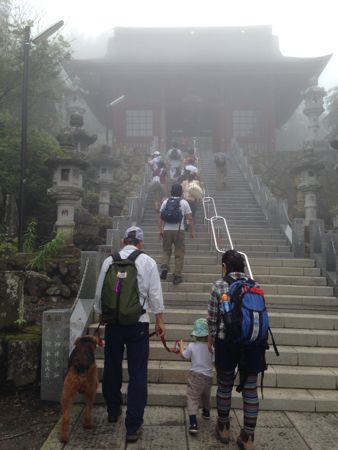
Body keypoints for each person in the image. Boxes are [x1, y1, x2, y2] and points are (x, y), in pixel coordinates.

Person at [94, 226, 165, 443]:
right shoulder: (148, 261)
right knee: (137, 373)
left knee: (112, 365)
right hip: (138, 324)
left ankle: (113, 410)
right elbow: (155, 294)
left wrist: (102, 316)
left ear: (124, 241)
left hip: (114, 324)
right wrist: (160, 320)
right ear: (140, 243)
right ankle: (133, 425)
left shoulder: (109, 261)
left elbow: (99, 295)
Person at [207, 249, 266, 450]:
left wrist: (211, 339)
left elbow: (213, 318)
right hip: (253, 344)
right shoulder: (255, 285)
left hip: (227, 343)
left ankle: (223, 427)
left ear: (225, 267)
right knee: (250, 390)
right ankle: (248, 438)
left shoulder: (219, 285)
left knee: (224, 385)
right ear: (242, 267)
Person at [178, 318, 213, 435]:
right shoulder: (211, 348)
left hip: (195, 377)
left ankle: (193, 423)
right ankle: (206, 412)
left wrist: (181, 346)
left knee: (192, 398)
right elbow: (214, 360)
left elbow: (184, 356)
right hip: (208, 377)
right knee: (206, 396)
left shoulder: (192, 346)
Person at [159, 183, 195, 285]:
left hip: (166, 230)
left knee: (166, 250)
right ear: (181, 192)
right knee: (179, 254)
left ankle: (165, 267)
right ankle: (177, 276)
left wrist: (160, 230)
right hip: (179, 230)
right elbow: (190, 218)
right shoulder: (184, 202)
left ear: (171, 191)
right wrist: (192, 232)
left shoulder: (166, 201)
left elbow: (160, 217)